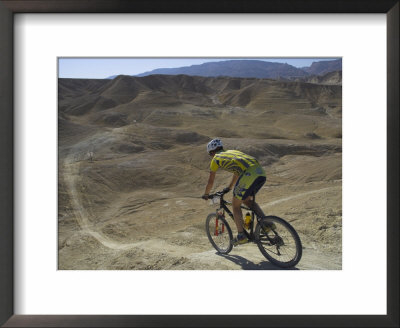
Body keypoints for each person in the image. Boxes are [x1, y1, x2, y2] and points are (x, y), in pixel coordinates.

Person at [202, 139, 267, 245]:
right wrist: (229, 187)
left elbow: (211, 181)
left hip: (249, 174)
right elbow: (237, 173)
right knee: (246, 200)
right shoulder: (231, 152)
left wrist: (206, 194)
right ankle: (267, 224)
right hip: (260, 172)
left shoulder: (216, 159)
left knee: (235, 204)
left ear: (212, 152)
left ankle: (241, 235)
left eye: (210, 155)